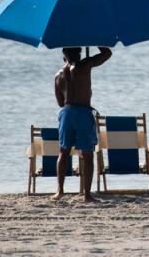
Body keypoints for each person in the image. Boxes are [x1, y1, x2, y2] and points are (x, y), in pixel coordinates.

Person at [52, 46, 112, 202]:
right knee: (87, 154)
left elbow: (60, 102)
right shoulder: (85, 65)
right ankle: (86, 194)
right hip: (83, 113)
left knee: (63, 152)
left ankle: (60, 191)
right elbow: (107, 53)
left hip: (66, 112)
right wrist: (96, 41)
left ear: (64, 56)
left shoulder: (58, 76)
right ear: (79, 54)